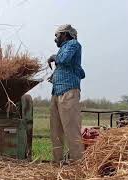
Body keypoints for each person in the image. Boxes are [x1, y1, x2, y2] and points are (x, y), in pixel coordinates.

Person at [47, 24, 85, 164]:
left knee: (71, 130)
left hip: (68, 92)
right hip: (56, 92)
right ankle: (57, 163)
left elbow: (64, 60)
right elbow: (63, 64)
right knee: (55, 131)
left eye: (57, 36)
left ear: (65, 34)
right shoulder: (63, 49)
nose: (55, 39)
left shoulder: (74, 44)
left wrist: (53, 56)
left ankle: (78, 164)